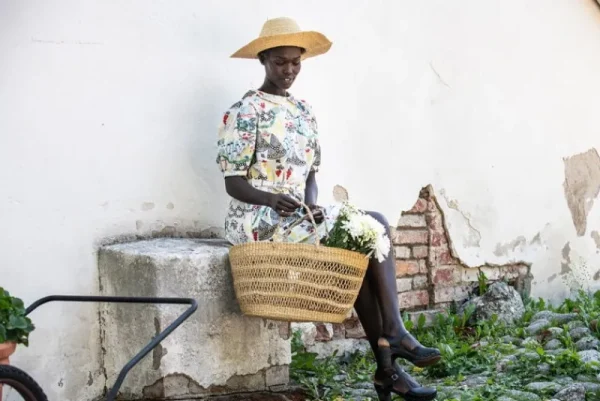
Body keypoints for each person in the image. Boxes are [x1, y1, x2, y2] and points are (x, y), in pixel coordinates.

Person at [216, 17, 440, 401]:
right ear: (263, 60)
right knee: (375, 225)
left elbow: (310, 175)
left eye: (295, 63)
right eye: (280, 62)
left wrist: (312, 204)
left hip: (299, 213)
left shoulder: (304, 111)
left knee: (366, 240)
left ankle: (389, 365)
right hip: (259, 217)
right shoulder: (245, 110)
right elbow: (233, 182)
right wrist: (271, 198)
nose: (288, 70)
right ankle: (393, 343)